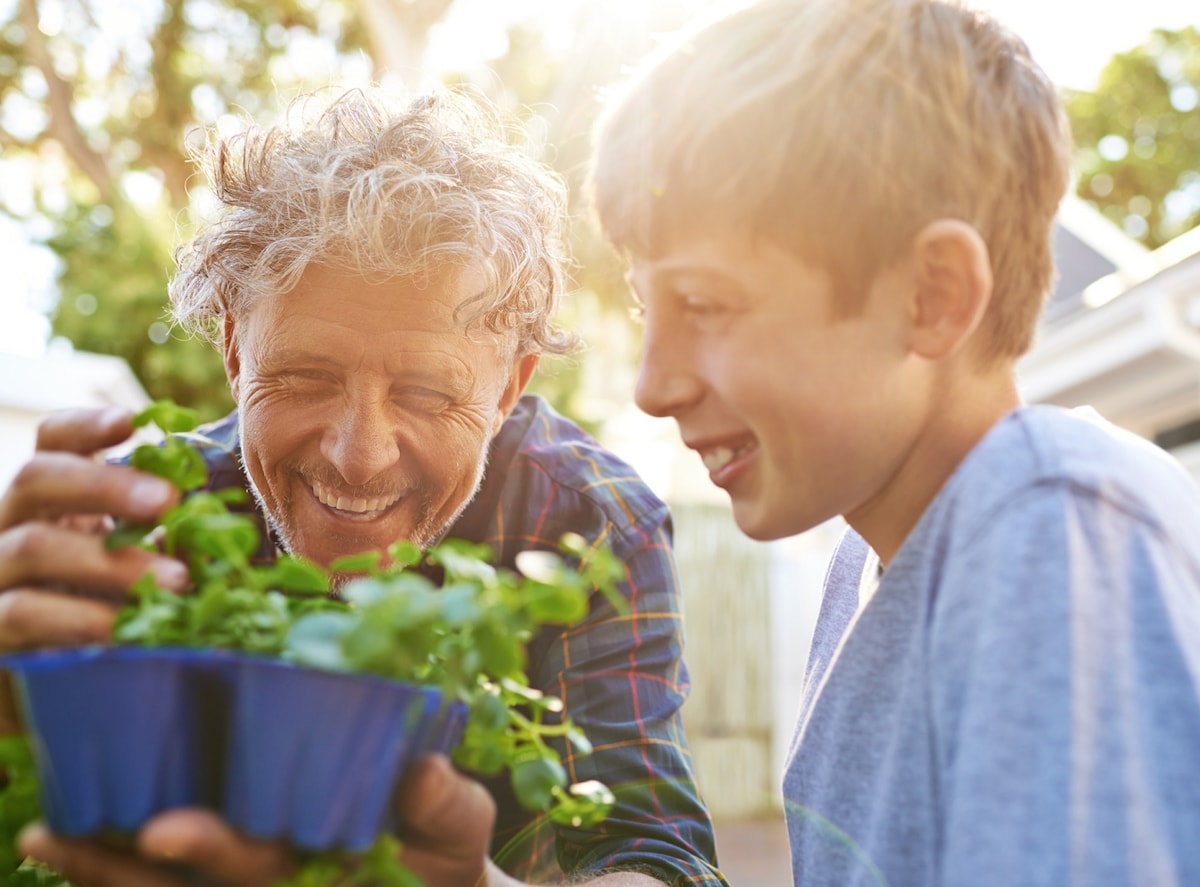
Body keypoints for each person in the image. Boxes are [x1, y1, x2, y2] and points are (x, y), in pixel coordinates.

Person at [0, 86, 727, 886]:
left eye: (425, 393)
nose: (359, 455)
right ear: (237, 352)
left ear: (509, 387)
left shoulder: (589, 521)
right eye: (306, 377)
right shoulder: (138, 524)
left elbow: (657, 855)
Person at [588, 0, 1200, 884]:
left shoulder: (1049, 545)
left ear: (932, 295)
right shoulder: (867, 563)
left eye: (706, 306)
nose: (653, 384)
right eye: (651, 311)